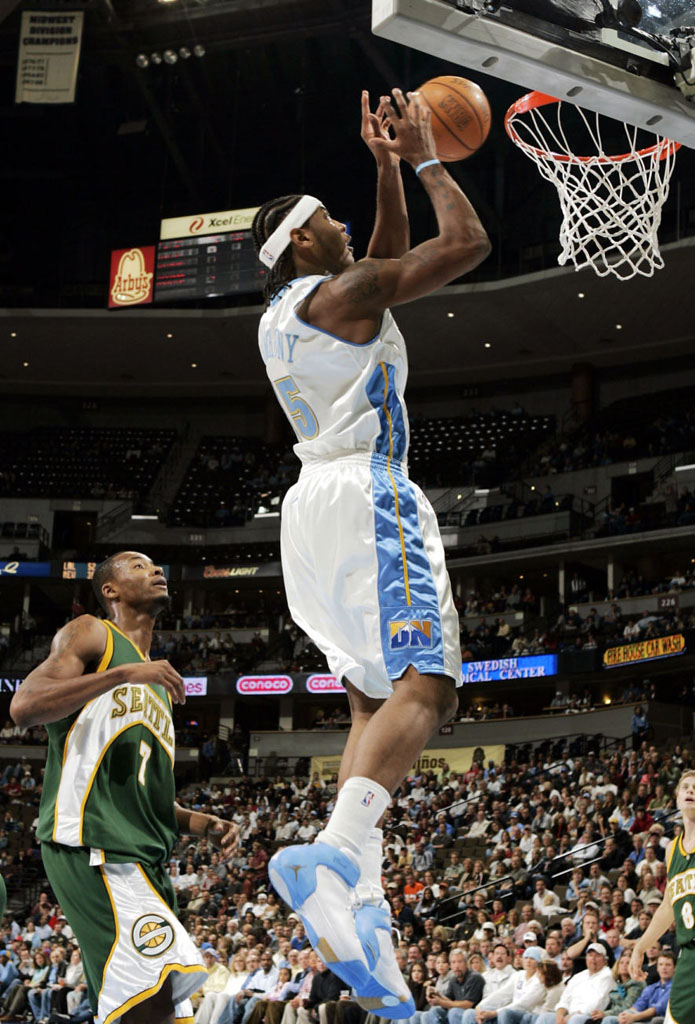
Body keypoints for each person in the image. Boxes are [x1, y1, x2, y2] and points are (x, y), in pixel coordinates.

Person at [253, 88, 490, 1020]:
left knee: (369, 696)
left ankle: (360, 901)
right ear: (303, 245)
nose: (344, 221)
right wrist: (430, 155)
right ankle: (342, 853)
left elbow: (383, 255)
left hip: (310, 511)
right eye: (329, 217)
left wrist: (384, 166)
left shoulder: (293, 310)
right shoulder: (341, 294)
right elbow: (461, 247)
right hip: (369, 493)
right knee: (428, 684)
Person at [10, 551, 238, 1024]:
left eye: (156, 566)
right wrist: (122, 674)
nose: (156, 571)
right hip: (94, 844)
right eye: (138, 565)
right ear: (109, 590)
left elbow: (148, 795)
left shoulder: (156, 682)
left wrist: (200, 823)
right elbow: (24, 707)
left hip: (142, 856)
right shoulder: (93, 634)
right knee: (151, 997)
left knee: (162, 1005)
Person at [630, 770, 695, 1024]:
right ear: (677, 797)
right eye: (686, 787)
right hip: (689, 955)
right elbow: (668, 905)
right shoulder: (672, 850)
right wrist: (640, 946)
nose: (691, 791)